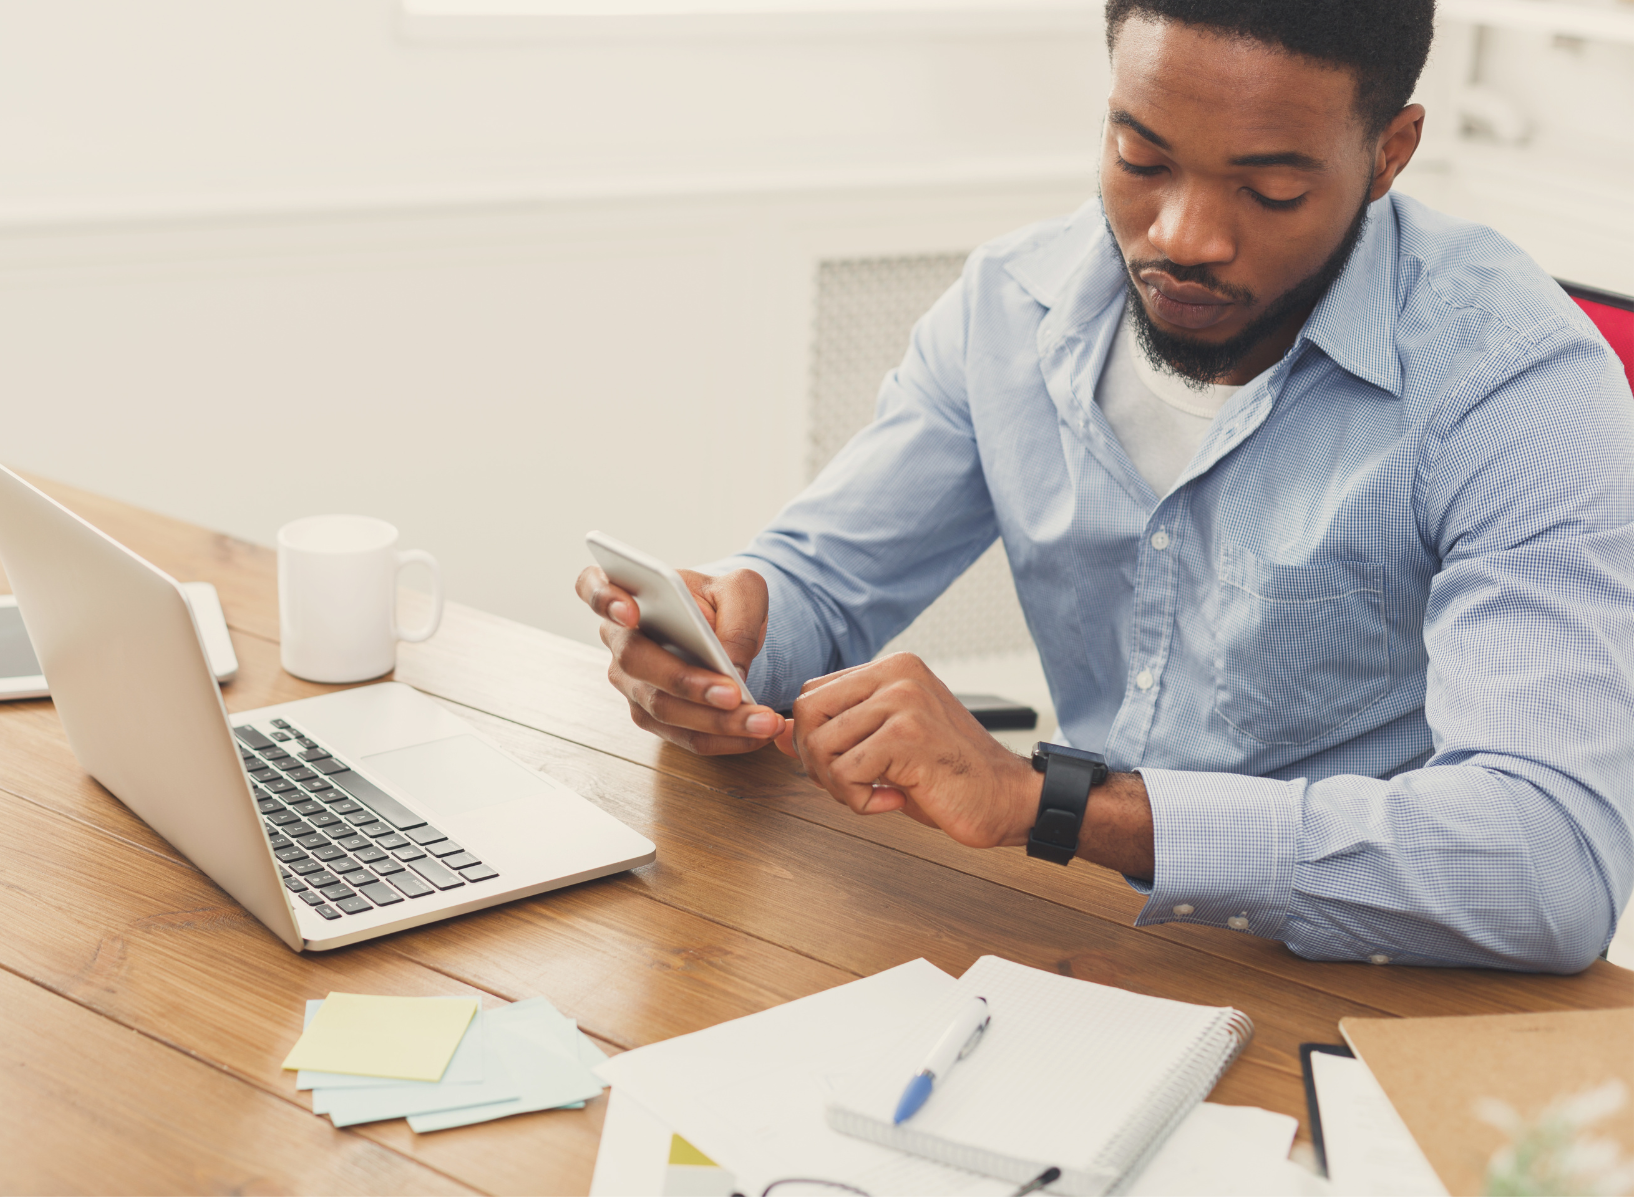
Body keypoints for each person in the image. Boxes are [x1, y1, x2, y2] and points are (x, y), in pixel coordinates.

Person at [576, 0, 1632, 973]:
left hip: (1380, 988)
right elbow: (822, 582)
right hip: (1090, 942)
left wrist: (1061, 807)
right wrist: (730, 637)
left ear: (1389, 151)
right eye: (1141, 158)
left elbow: (1552, 865)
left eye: (1270, 190)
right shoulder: (1014, 306)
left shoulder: (1513, 383)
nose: (1184, 238)